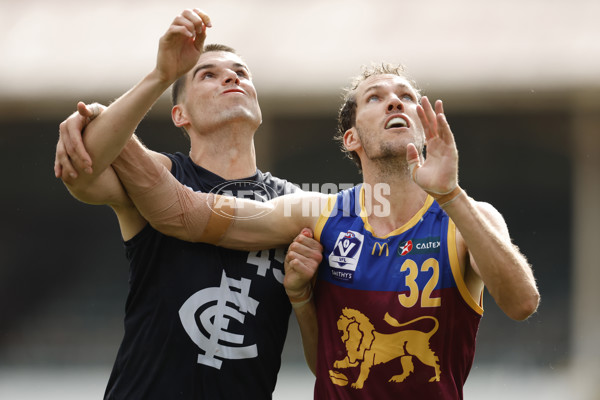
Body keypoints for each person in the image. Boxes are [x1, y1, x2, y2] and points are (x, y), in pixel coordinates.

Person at [101, 61, 541, 399]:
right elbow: (184, 214)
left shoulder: (468, 216)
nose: (394, 102)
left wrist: (450, 195)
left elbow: (522, 303)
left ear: (425, 128)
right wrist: (107, 126)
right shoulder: (320, 214)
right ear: (351, 138)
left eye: (406, 97)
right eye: (375, 98)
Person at [54, 8, 323, 399]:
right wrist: (161, 75)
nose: (232, 77)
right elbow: (84, 171)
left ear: (258, 109)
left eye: (241, 73)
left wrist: (303, 296)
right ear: (180, 115)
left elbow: (326, 364)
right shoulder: (161, 174)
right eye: (207, 74)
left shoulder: (294, 204)